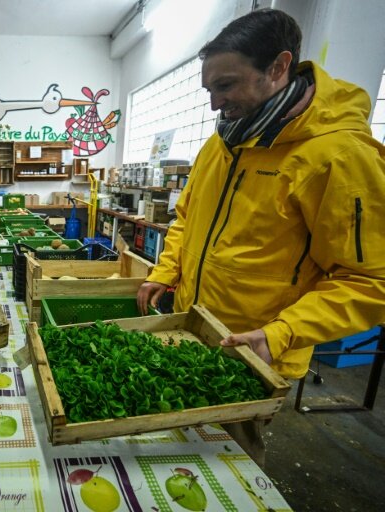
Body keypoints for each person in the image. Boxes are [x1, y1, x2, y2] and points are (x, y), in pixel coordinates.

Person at [137, 8, 385, 465]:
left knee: (223, 467)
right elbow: (188, 217)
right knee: (168, 455)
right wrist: (167, 271)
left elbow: (369, 281)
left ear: (278, 67)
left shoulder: (339, 156)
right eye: (209, 89)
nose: (214, 104)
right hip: (191, 328)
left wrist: (281, 334)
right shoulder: (224, 141)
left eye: (226, 86)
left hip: (254, 352)